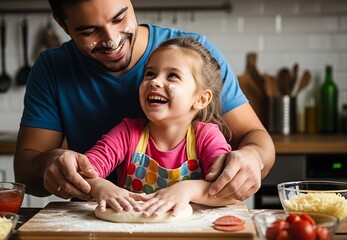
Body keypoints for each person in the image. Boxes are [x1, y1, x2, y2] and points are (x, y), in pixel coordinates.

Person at [14, 0, 275, 202]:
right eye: (89, 31)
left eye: (119, 17)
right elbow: (27, 175)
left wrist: (252, 156)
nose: (112, 40)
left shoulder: (192, 54)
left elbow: (256, 139)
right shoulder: (52, 69)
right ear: (62, 24)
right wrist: (58, 163)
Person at [86, 37, 236, 217]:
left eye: (172, 75)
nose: (155, 82)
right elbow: (84, 171)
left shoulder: (206, 136)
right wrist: (100, 186)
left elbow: (231, 191)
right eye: (150, 74)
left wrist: (187, 190)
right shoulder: (128, 133)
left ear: (201, 99)